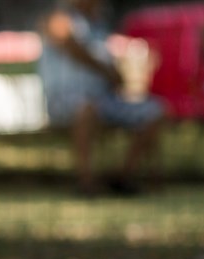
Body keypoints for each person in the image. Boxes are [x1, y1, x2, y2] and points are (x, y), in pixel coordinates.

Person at [38, 0, 167, 195]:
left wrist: (116, 76)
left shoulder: (99, 24)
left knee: (154, 111)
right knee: (87, 109)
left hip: (104, 99)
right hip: (65, 102)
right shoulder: (58, 19)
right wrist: (105, 71)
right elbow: (72, 47)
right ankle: (86, 182)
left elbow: (109, 63)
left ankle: (123, 177)